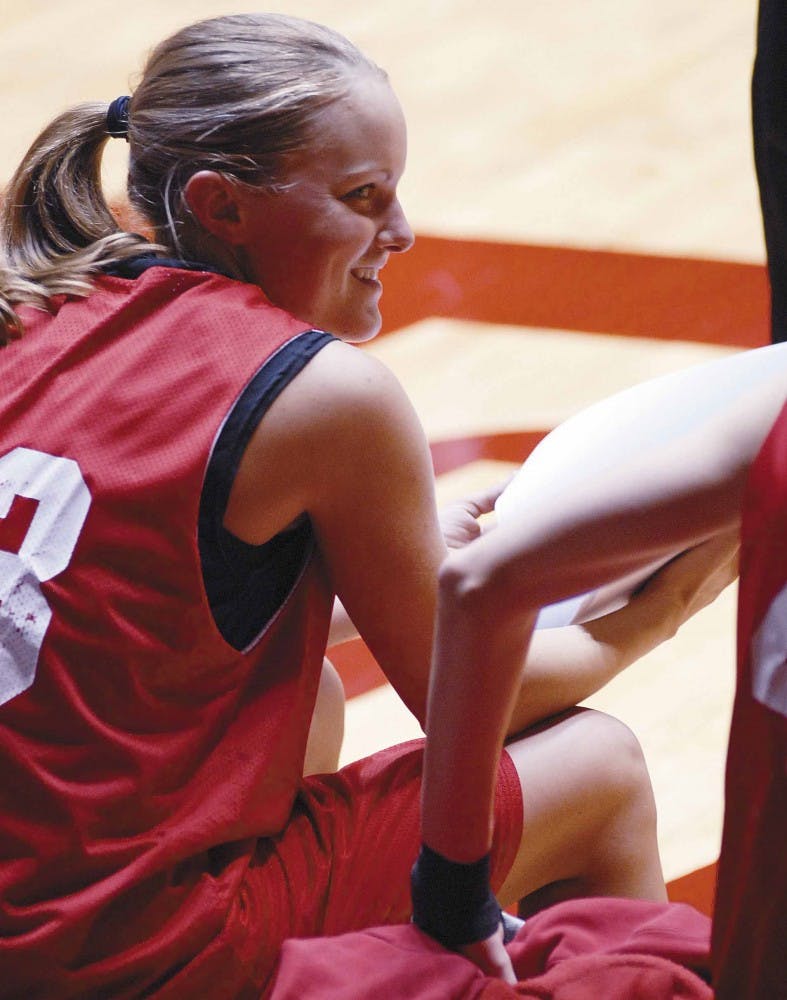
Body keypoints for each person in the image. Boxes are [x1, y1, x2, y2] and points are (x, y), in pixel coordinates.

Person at [0, 13, 735, 998]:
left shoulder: (38, 309)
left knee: (311, 698)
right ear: (221, 206)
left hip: (27, 894)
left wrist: (406, 548)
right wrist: (661, 609)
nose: (402, 231)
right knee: (598, 764)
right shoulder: (322, 396)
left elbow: (134, 606)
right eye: (361, 197)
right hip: (119, 947)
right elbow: (469, 696)